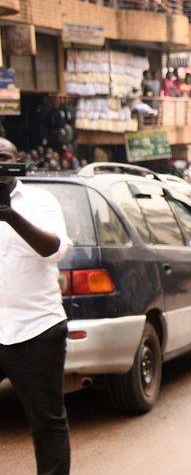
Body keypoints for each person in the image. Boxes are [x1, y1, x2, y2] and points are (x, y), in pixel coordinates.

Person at [0, 137, 72, 474]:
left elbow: (52, 249)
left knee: (47, 422)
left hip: (36, 329)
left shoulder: (39, 200)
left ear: (17, 161)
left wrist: (9, 215)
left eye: (3, 158)